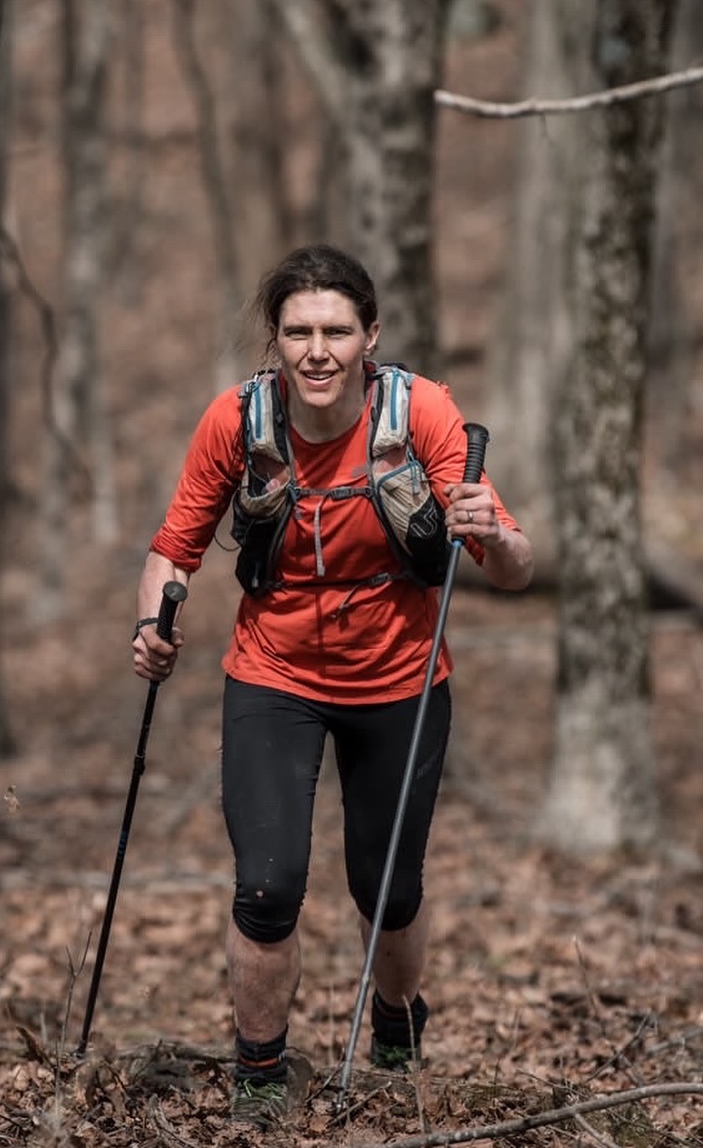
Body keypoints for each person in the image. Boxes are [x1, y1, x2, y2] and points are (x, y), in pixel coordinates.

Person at [132, 245, 533, 1125]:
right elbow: (174, 545)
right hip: (272, 674)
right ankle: (261, 1074)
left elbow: (513, 565)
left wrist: (488, 533)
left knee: (386, 889)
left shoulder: (420, 412)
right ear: (274, 341)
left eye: (336, 331)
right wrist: (150, 625)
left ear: (370, 336)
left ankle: (393, 1022)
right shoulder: (236, 421)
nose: (317, 350)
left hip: (401, 677)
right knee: (267, 885)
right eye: (297, 331)